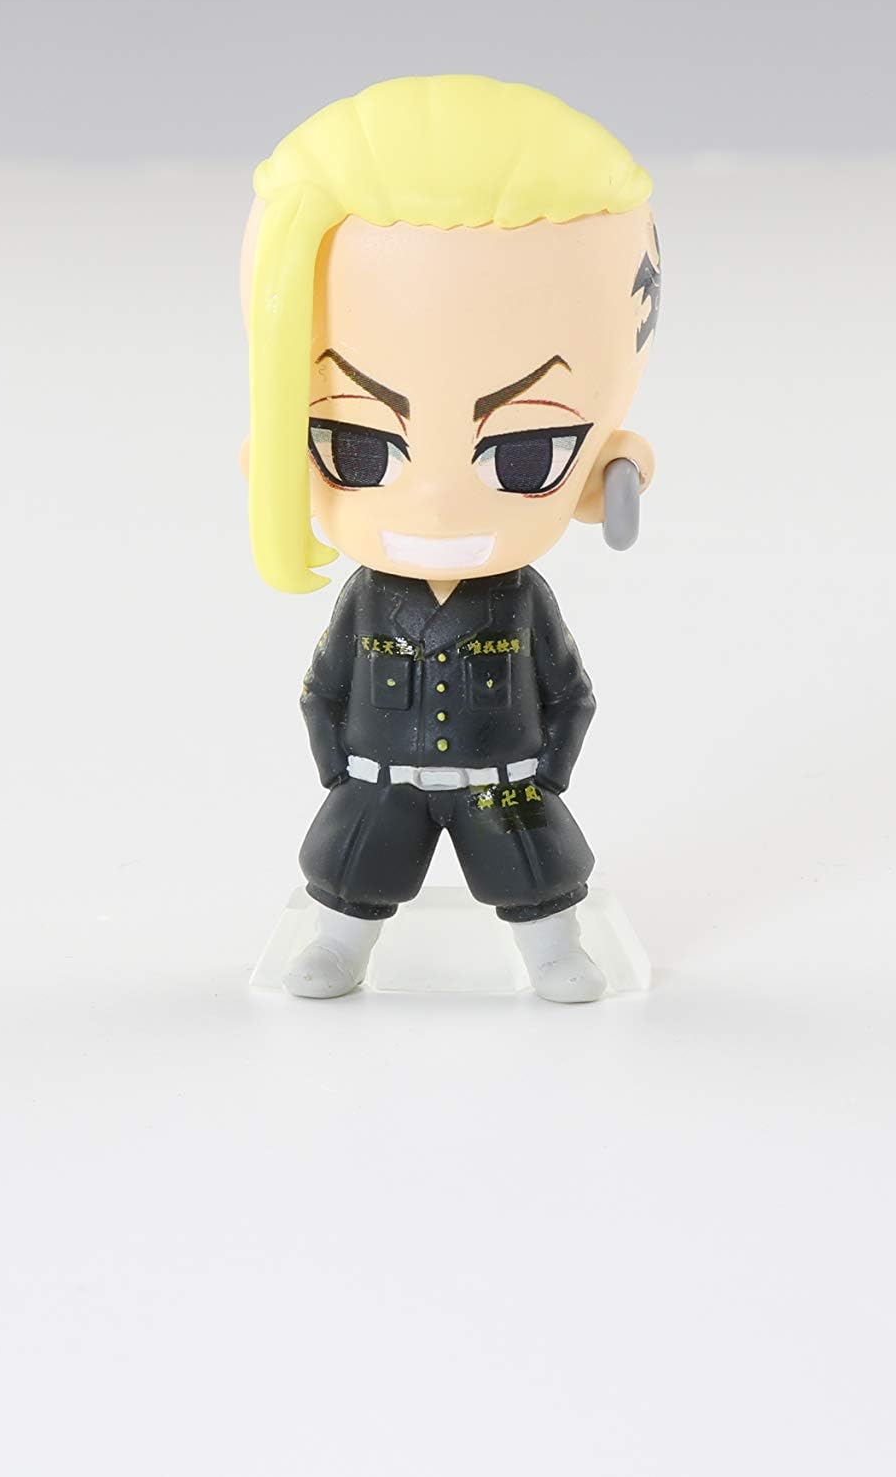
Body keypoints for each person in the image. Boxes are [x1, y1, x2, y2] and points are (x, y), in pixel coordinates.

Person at [239, 76, 661, 1001]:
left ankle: (553, 949)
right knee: (351, 874)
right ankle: (339, 948)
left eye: (524, 452)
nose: (434, 502)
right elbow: (321, 687)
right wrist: (340, 768)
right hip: (378, 777)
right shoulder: (369, 597)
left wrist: (543, 775)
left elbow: (570, 692)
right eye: (356, 446)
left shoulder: (518, 597)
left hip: (502, 780)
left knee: (535, 874)